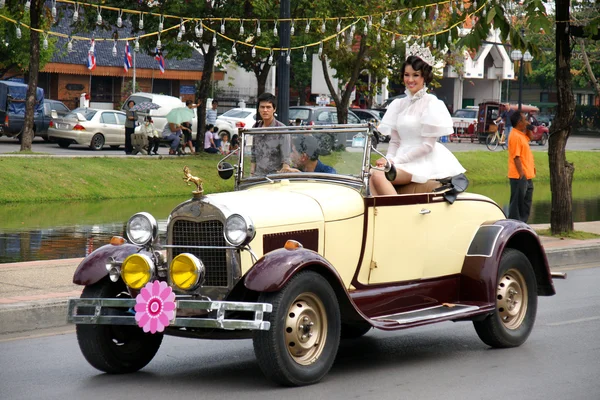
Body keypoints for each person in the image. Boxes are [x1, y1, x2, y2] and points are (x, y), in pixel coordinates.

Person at [370, 49, 465, 195]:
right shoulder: (398, 104)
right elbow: (395, 142)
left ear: (424, 77)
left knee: (377, 174)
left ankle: (399, 213)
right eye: (407, 75)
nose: (410, 80)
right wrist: (388, 160)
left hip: (421, 161)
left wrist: (395, 161)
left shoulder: (431, 103)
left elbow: (427, 146)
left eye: (415, 75)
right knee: (371, 173)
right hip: (399, 160)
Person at [250, 92, 291, 176]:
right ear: (258, 109)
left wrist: (284, 170)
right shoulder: (256, 127)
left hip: (275, 177)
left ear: (274, 109)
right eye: (262, 107)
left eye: (268, 107)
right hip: (258, 177)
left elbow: (286, 159)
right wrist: (251, 173)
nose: (265, 110)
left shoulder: (282, 130)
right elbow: (253, 154)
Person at [507, 111, 536, 223]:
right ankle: (514, 227)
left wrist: (528, 127)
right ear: (519, 122)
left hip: (528, 175)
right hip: (519, 176)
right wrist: (521, 175)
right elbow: (516, 157)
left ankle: (523, 225)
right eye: (524, 120)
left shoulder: (521, 134)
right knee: (517, 204)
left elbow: (532, 137)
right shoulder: (514, 136)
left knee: (526, 204)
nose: (527, 121)